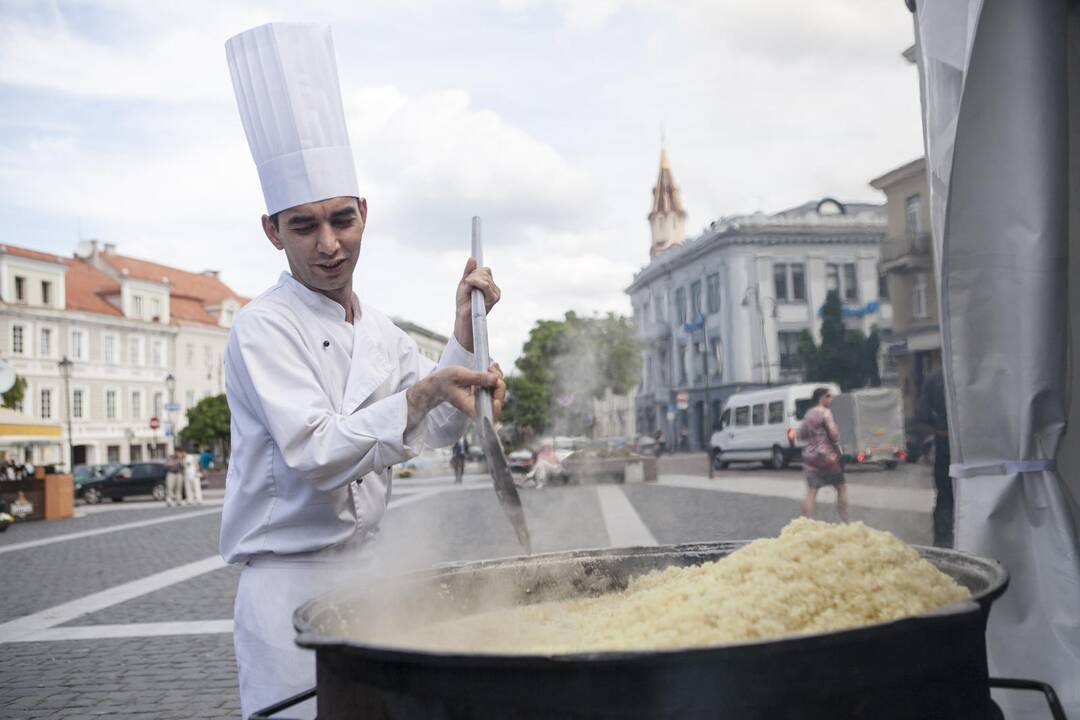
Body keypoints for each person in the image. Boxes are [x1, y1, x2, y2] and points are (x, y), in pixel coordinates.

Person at [221, 22, 506, 718]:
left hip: (372, 578)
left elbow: (434, 427)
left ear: (364, 213)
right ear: (271, 231)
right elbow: (317, 455)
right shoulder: (263, 327)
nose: (328, 245)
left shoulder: (378, 328)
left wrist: (463, 344)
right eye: (304, 226)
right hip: (286, 585)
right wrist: (425, 391)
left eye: (342, 220)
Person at [798, 387, 849, 522]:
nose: (831, 399)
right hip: (827, 456)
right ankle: (845, 521)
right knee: (841, 487)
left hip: (811, 456)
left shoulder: (808, 414)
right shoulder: (826, 413)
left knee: (812, 491)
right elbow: (834, 435)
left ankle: (806, 522)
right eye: (829, 396)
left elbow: (801, 435)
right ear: (821, 398)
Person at [917, 367, 952, 547]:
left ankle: (945, 547)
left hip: (946, 445)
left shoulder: (935, 377)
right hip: (978, 448)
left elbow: (922, 416)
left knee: (946, 500)